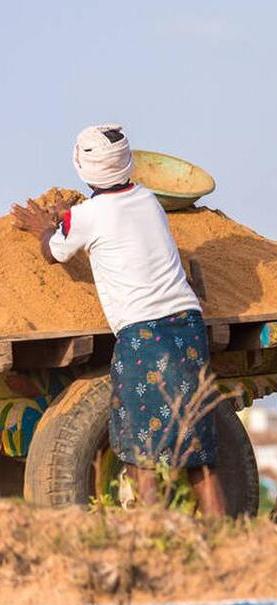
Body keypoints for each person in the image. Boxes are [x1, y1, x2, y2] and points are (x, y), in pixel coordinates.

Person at [10, 124, 226, 516]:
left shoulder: (88, 217)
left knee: (139, 453)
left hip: (145, 337)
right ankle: (228, 543)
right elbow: (102, 219)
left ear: (82, 167)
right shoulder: (146, 200)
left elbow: (51, 253)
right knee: (200, 455)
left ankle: (150, 536)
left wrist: (42, 225)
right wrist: (68, 216)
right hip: (188, 327)